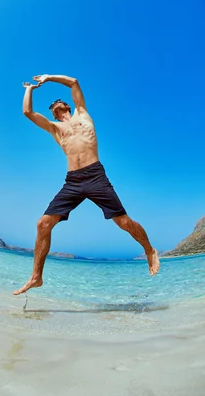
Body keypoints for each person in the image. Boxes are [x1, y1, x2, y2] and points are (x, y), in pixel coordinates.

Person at [13, 74, 160, 296]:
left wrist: (48, 78)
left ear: (68, 105)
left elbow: (73, 82)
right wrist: (29, 89)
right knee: (43, 224)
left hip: (95, 176)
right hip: (73, 181)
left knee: (123, 222)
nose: (56, 104)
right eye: (53, 105)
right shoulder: (54, 128)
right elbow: (27, 112)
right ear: (53, 113)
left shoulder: (83, 115)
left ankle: (149, 250)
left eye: (59, 101)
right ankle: (36, 277)